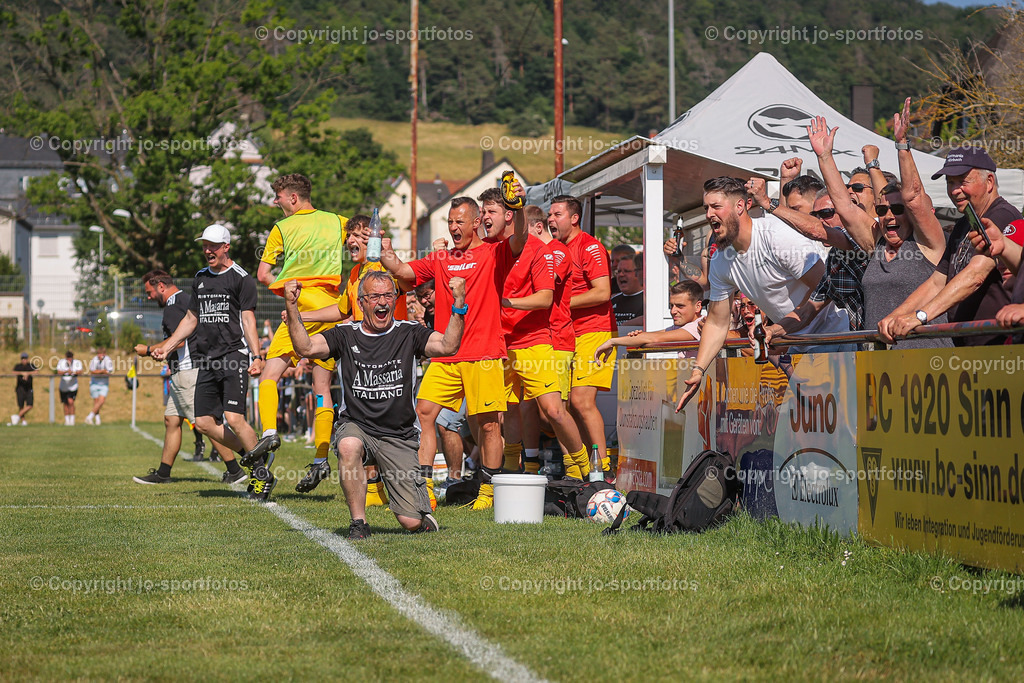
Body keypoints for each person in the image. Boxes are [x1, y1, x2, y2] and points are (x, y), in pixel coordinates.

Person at [283, 271, 467, 537]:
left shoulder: (409, 333)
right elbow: (307, 349)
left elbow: (449, 346)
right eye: (374, 297)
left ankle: (417, 512)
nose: (382, 302)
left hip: (399, 436)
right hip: (357, 425)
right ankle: (359, 523)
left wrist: (459, 302)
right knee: (348, 445)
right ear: (361, 303)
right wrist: (291, 306)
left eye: (388, 296)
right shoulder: (345, 334)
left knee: (410, 522)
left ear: (394, 299)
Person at [380, 188, 527, 511]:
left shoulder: (494, 252)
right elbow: (406, 273)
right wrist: (386, 253)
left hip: (484, 354)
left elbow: (520, 240)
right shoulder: (441, 258)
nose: (453, 227)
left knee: (488, 424)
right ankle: (425, 487)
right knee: (424, 413)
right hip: (446, 354)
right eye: (449, 221)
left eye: (459, 221)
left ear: (476, 223)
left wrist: (519, 207)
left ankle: (488, 492)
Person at [676, 176, 850, 412]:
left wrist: (779, 328)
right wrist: (698, 370)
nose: (708, 214)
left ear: (740, 206)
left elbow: (826, 287)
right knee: (808, 438)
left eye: (716, 206)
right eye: (706, 208)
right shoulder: (720, 260)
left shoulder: (775, 235)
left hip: (836, 341)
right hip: (795, 348)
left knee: (844, 430)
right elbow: (717, 323)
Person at [478, 188, 590, 482]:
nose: (485, 217)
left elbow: (545, 298)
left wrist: (509, 303)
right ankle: (512, 473)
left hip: (537, 341)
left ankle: (587, 472)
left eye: (492, 211)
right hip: (500, 343)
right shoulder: (488, 248)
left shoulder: (537, 249)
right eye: (484, 211)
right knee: (507, 411)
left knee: (554, 410)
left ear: (510, 215)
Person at [298, 214, 408, 500]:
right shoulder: (355, 274)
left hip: (390, 356)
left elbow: (408, 282)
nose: (349, 241)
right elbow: (342, 311)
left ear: (370, 237)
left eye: (356, 235)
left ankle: (407, 487)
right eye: (347, 237)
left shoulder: (382, 264)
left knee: (391, 422)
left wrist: (387, 251)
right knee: (361, 423)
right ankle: (374, 488)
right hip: (360, 359)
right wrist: (301, 316)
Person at [151, 224, 263, 496]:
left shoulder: (241, 278)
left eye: (213, 245)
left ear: (226, 247)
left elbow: (248, 319)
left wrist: (257, 355)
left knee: (234, 418)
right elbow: (191, 319)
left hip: (233, 356)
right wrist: (167, 346)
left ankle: (259, 472)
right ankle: (256, 457)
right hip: (207, 361)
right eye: (204, 245)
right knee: (202, 423)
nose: (207, 250)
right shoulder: (200, 278)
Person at [252, 173, 347, 488]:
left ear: (292, 198)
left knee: (269, 376)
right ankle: (321, 460)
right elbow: (368, 235)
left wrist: (287, 290)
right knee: (322, 391)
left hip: (301, 309)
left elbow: (263, 273)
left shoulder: (282, 228)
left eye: (278, 197)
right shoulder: (337, 221)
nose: (275, 203)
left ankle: (268, 433)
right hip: (331, 309)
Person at [879, 145, 1023, 346]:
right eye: (950, 182)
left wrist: (920, 316)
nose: (955, 190)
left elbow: (975, 276)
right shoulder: (965, 223)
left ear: (989, 182)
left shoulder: (1002, 215)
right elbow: (937, 281)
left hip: (997, 346)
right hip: (968, 349)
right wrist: (894, 317)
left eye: (962, 181)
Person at [133, 270, 241, 484]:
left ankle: (236, 469)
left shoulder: (173, 305)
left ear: (161, 286)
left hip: (187, 372)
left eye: (149, 292)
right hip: (184, 372)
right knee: (171, 420)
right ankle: (163, 473)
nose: (149, 297)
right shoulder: (185, 299)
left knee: (205, 423)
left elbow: (178, 341)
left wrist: (148, 349)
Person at [548, 194, 618, 478]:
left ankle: (602, 468)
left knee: (581, 401)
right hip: (566, 334)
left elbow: (603, 292)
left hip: (595, 331)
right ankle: (577, 470)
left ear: (574, 218)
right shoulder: (553, 249)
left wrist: (560, 304)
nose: (551, 220)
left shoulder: (590, 246)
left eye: (557, 215)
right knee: (558, 405)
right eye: (549, 215)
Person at [596, 279, 704, 360]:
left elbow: (655, 339)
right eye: (671, 306)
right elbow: (651, 336)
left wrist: (612, 341)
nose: (673, 311)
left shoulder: (697, 326)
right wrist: (640, 336)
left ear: (698, 307)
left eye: (680, 306)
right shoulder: (682, 327)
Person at [611, 252, 644, 326]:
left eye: (626, 271)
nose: (621, 275)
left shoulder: (649, 300)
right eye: (618, 271)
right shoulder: (612, 301)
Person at [84, 347, 113, 425]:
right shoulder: (94, 359)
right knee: (96, 402)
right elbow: (93, 371)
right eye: (98, 354)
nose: (99, 355)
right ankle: (97, 420)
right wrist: (102, 371)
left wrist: (100, 372)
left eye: (101, 354)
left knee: (101, 401)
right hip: (94, 383)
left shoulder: (108, 360)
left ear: (104, 354)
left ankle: (89, 417)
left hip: (104, 384)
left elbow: (109, 372)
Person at [56, 350, 83, 426]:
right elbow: (58, 372)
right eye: (67, 358)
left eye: (70, 358)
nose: (69, 360)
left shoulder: (77, 363)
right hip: (63, 387)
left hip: (73, 387)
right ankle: (67, 421)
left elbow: (80, 371)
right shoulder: (62, 362)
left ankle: (72, 420)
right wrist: (66, 371)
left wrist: (73, 372)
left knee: (71, 402)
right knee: (65, 403)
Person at [10, 352, 34, 425]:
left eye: (25, 359)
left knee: (30, 405)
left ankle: (17, 416)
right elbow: (13, 372)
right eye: (23, 359)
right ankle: (23, 421)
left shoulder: (30, 365)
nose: (24, 360)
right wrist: (22, 373)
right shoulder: (18, 366)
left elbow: (36, 371)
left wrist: (28, 374)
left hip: (29, 388)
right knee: (21, 405)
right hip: (20, 388)